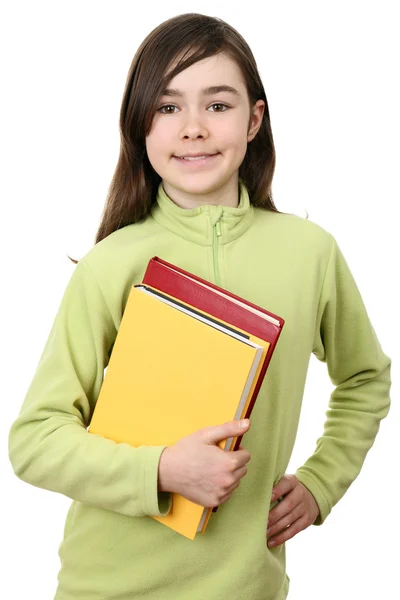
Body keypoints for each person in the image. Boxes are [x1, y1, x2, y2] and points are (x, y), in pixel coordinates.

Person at [8, 12, 391, 600]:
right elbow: (35, 441)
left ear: (254, 119)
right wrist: (160, 470)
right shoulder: (113, 263)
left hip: (247, 588)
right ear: (140, 127)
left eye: (217, 105)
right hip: (105, 587)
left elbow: (365, 377)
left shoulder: (310, 253)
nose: (193, 128)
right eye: (167, 107)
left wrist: (320, 483)